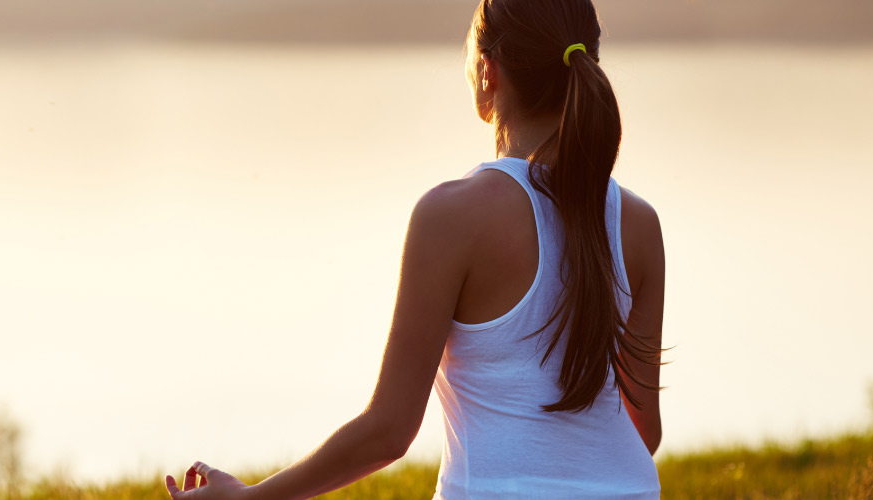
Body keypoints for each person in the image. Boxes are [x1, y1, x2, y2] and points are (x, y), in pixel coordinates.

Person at [164, 0, 665, 497]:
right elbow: (645, 432)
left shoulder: (452, 216)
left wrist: (249, 498)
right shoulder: (639, 223)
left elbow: (389, 431)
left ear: (487, 71)